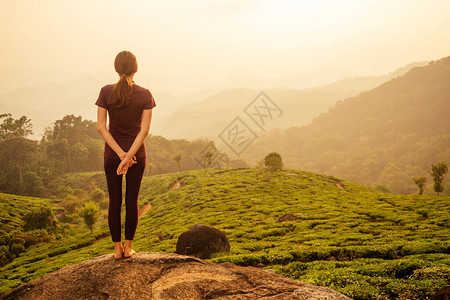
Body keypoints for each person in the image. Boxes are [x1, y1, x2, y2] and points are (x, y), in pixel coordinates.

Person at [95, 50, 156, 259]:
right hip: (137, 157)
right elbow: (144, 130)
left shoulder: (105, 91)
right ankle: (129, 248)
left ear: (116, 68)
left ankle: (116, 250)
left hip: (112, 156)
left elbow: (101, 128)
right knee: (132, 201)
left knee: (114, 202)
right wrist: (129, 155)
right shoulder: (145, 94)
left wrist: (120, 154)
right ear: (135, 69)